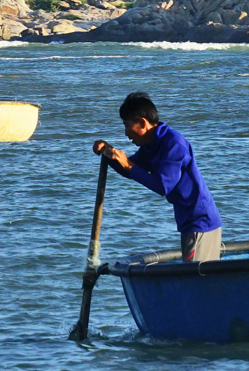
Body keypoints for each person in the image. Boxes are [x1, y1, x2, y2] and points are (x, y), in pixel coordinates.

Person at [94, 92, 222, 262]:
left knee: (198, 281)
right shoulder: (151, 144)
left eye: (127, 126)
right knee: (194, 278)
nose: (126, 133)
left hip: (200, 223)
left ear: (142, 123)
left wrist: (128, 164)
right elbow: (130, 169)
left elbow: (162, 186)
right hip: (187, 222)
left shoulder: (173, 144)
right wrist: (109, 155)